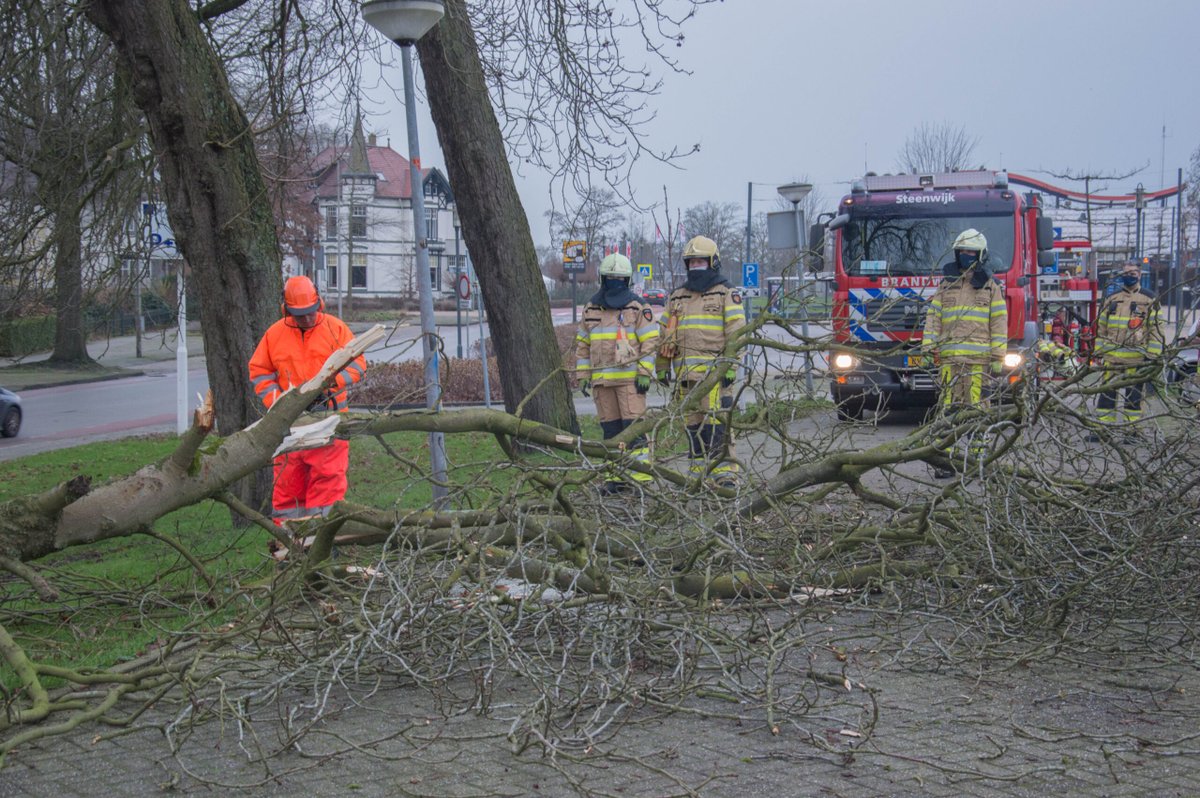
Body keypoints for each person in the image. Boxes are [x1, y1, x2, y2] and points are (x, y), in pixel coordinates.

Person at [248, 275, 367, 525]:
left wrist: (331, 384)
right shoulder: (275, 335)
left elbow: (358, 365)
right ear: (286, 310)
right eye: (300, 314)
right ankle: (289, 546)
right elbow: (259, 372)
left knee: (327, 487)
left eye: (311, 312)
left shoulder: (335, 329)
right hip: (289, 424)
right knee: (287, 490)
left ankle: (322, 541)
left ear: (319, 304)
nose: (307, 318)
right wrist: (278, 401)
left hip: (330, 421)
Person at [654, 235, 746, 487]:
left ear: (713, 262)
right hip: (685, 379)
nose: (695, 266)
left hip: (715, 378)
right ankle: (697, 475)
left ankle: (725, 475)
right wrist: (661, 367)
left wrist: (731, 365)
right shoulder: (677, 297)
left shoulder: (726, 293)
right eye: (691, 262)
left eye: (700, 261)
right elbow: (665, 335)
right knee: (693, 429)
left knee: (717, 428)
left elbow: (737, 333)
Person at [921, 228, 1008, 478]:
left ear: (980, 255)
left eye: (971, 252)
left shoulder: (991, 287)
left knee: (977, 411)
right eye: (962, 251)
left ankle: (977, 461)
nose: (966, 255)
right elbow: (933, 317)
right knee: (947, 410)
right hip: (950, 361)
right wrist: (928, 347)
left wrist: (998, 356)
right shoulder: (946, 284)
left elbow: (999, 322)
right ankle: (944, 462)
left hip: (979, 363)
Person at [575, 253, 659, 492]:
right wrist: (582, 376)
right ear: (603, 278)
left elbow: (651, 342)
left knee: (634, 431)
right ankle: (615, 478)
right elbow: (583, 344)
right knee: (611, 432)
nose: (614, 281)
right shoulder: (591, 307)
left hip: (630, 383)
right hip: (602, 384)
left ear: (627, 279)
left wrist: (644, 372)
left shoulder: (637, 307)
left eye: (618, 278)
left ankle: (641, 479)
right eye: (610, 277)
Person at [1091, 260, 1163, 437]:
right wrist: (1099, 353)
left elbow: (1156, 329)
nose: (1129, 276)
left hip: (1136, 359)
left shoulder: (1149, 299)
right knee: (1106, 396)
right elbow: (1101, 327)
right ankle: (1103, 431)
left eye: (1132, 273)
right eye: (1126, 273)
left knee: (1134, 399)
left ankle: (1133, 432)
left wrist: (1153, 355)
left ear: (1139, 275)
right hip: (1111, 360)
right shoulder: (1112, 298)